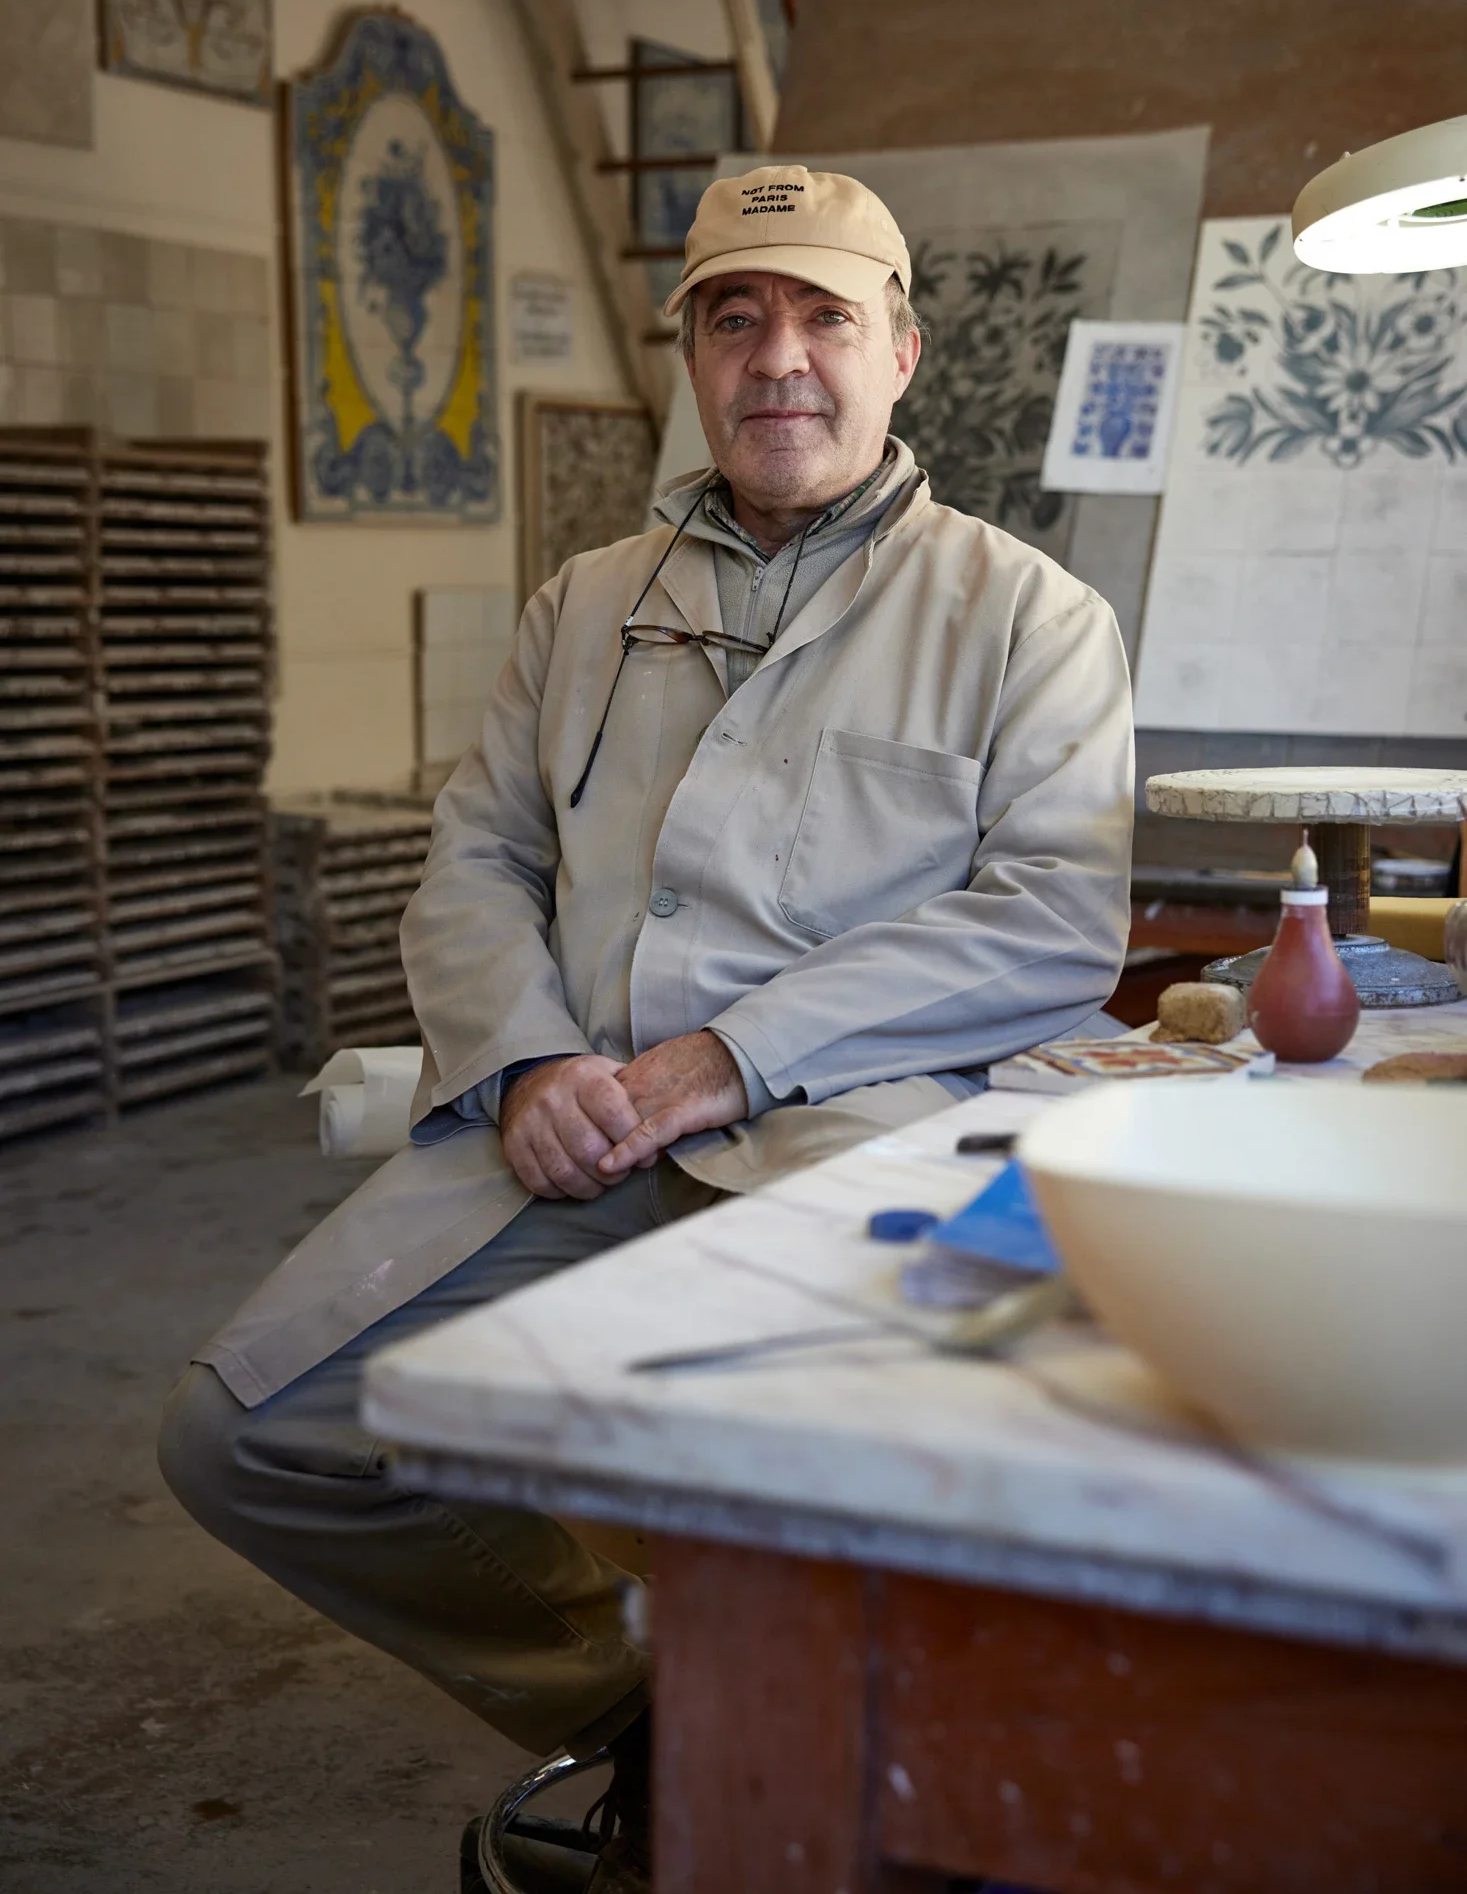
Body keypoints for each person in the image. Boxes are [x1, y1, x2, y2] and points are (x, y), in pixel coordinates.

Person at [159, 165, 1134, 1892]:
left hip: (833, 1159)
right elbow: (478, 858)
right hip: (570, 1137)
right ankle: (650, 1715)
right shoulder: (582, 604)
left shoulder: (1024, 620)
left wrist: (730, 1057)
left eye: (825, 317)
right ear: (689, 353)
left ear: (899, 352)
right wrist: (526, 1058)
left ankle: (886, 1778)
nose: (779, 360)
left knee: (887, 1492)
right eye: (735, 317)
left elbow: (1051, 918)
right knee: (249, 1439)